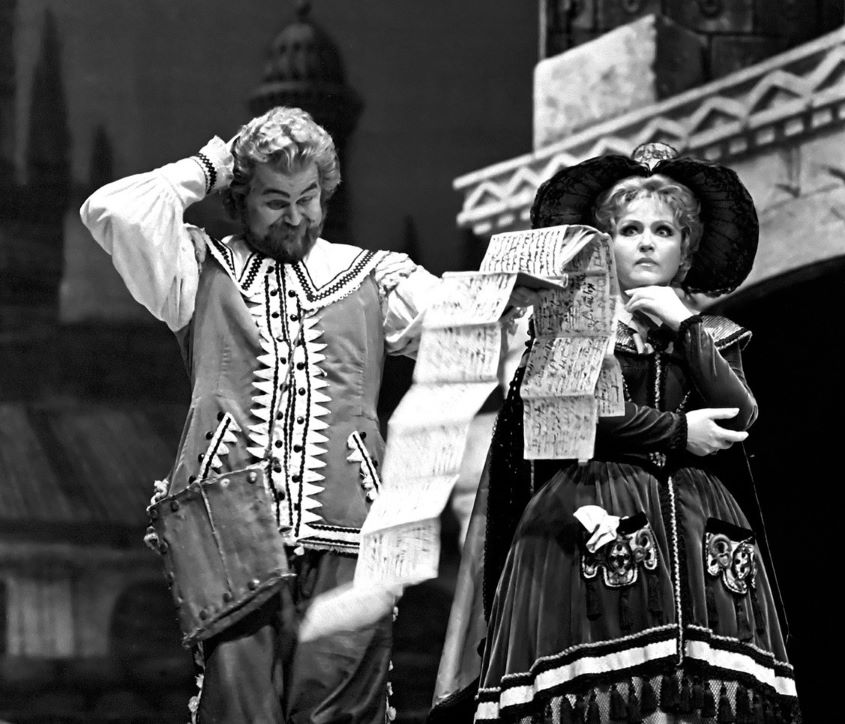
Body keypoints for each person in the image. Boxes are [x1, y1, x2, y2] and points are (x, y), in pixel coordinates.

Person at [80, 106, 445, 723]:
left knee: (341, 711)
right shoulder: (196, 270)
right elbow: (112, 210)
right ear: (240, 197)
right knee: (239, 711)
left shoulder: (370, 275)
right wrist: (209, 166)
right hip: (229, 530)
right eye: (276, 200)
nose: (297, 216)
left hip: (350, 529)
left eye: (309, 198)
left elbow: (473, 324)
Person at [431, 143, 800, 723]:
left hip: (697, 532)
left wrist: (686, 326)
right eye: (630, 229)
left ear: (686, 250)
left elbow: (740, 414)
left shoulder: (706, 332)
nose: (647, 241)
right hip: (591, 508)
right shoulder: (575, 321)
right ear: (606, 243)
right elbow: (576, 411)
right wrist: (679, 433)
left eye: (663, 230)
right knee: (603, 696)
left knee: (693, 703)